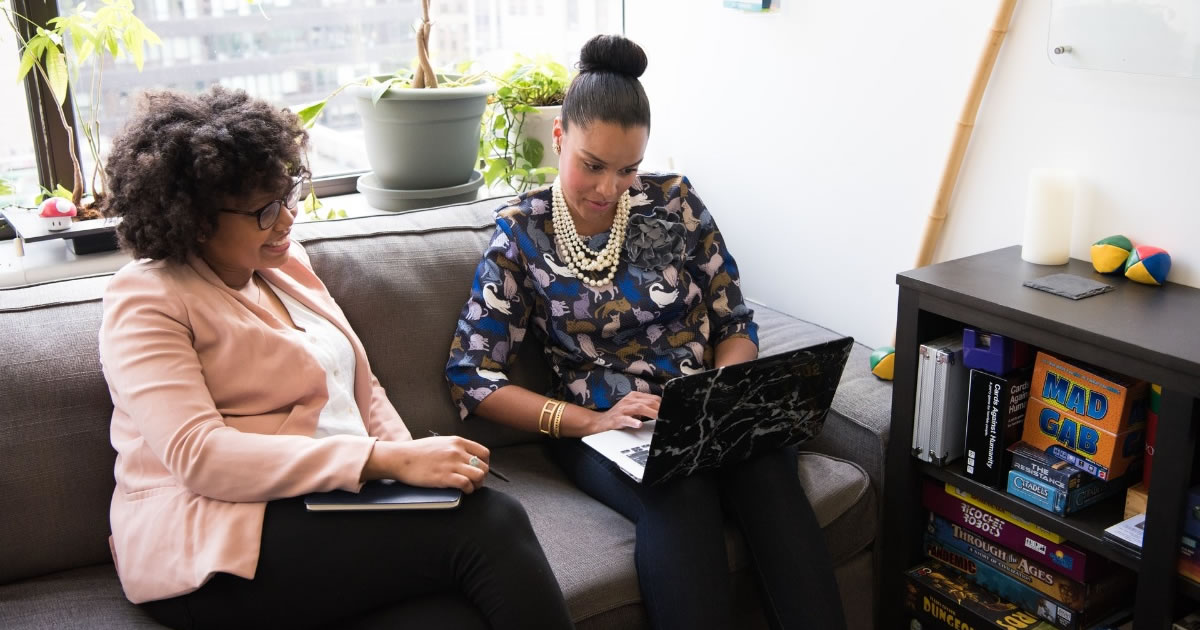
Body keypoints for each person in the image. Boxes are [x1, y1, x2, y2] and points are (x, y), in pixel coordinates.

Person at [98, 86, 574, 630]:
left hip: (319, 506)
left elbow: (362, 389)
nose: (286, 221)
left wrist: (417, 477)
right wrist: (386, 462)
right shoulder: (147, 298)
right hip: (212, 539)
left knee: (454, 610)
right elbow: (199, 455)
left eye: (289, 194)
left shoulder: (283, 264)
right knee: (491, 523)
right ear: (196, 218)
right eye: (264, 210)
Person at [446, 34, 847, 630]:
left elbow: (734, 319)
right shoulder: (521, 236)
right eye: (593, 165)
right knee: (679, 493)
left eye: (628, 168)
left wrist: (725, 393)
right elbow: (471, 379)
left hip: (701, 406)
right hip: (605, 427)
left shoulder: (676, 204)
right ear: (559, 138)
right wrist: (592, 420)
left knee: (767, 470)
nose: (610, 189)